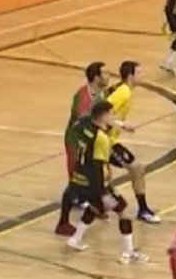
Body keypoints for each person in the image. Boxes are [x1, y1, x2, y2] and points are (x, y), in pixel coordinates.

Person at [63, 100, 149, 264]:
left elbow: (79, 125)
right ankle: (127, 253)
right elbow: (97, 167)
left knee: (95, 207)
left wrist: (120, 124)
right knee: (123, 210)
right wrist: (102, 192)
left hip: (78, 178)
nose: (113, 117)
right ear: (104, 116)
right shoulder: (101, 139)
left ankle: (75, 239)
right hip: (94, 183)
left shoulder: (84, 125)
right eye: (111, 114)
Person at [56, 61, 110, 236]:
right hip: (77, 141)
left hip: (90, 140)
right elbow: (84, 122)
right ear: (96, 78)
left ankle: (95, 204)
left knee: (97, 174)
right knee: (77, 180)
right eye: (105, 73)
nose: (109, 76)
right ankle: (63, 222)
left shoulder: (101, 93)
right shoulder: (83, 97)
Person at [105, 61, 160, 223]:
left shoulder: (123, 89)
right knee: (136, 168)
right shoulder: (123, 92)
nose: (142, 76)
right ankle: (143, 210)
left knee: (105, 176)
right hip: (104, 141)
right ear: (130, 76)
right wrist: (122, 124)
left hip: (108, 139)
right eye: (139, 73)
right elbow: (102, 112)